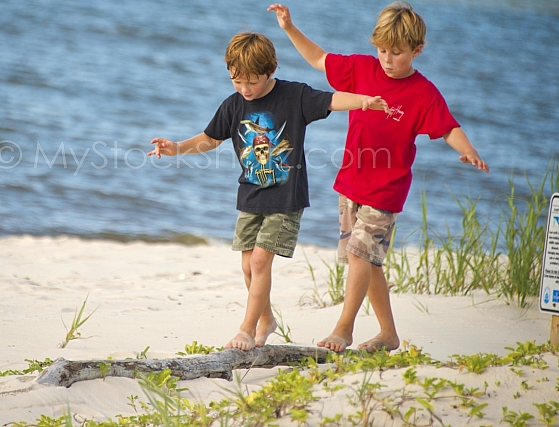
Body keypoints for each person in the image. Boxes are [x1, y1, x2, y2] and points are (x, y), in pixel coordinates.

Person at [268, 2, 489, 353]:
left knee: (359, 254)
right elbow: (319, 59)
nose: (387, 59)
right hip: (351, 183)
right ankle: (388, 334)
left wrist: (468, 149)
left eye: (396, 53)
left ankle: (344, 329)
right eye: (382, 50)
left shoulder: (423, 93)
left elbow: (448, 127)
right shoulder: (361, 68)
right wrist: (289, 28)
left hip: (386, 190)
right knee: (367, 261)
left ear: (417, 50)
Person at [148, 31, 389, 351]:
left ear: (270, 70)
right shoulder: (233, 104)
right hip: (250, 197)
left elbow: (331, 99)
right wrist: (178, 147)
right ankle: (266, 320)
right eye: (237, 81)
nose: (245, 89)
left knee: (260, 262)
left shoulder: (294, 96)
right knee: (248, 266)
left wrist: (363, 101)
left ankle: (246, 330)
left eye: (252, 82)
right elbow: (211, 138)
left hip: (285, 200)